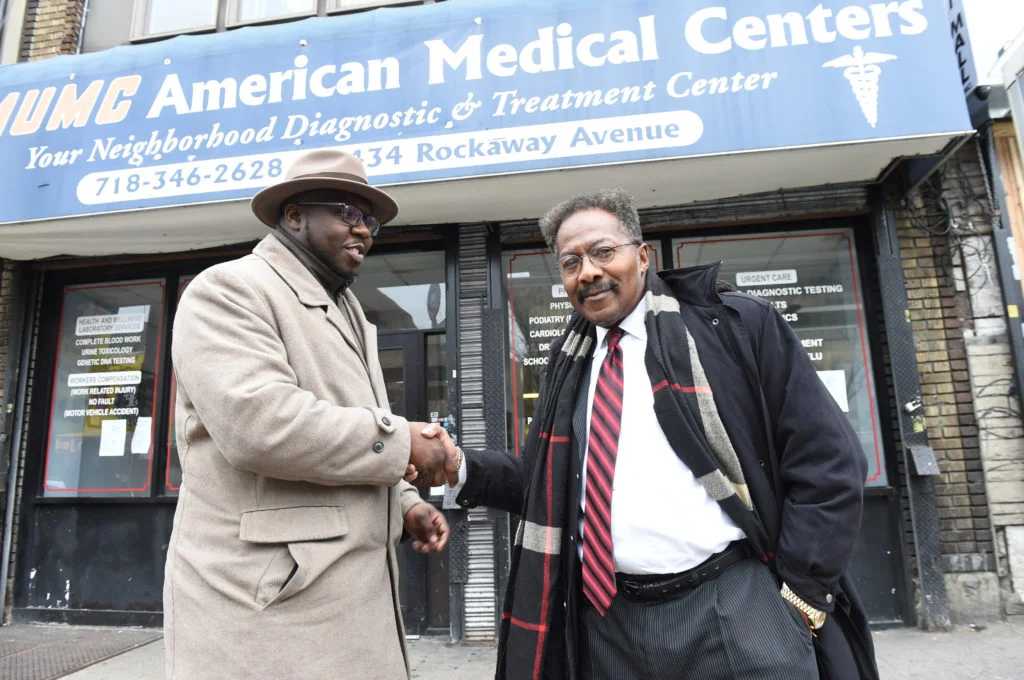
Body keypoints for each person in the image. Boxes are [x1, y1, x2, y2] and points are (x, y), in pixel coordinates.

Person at [443, 189, 879, 680]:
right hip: (610, 623)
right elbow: (550, 485)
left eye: (603, 252)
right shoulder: (569, 367)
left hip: (735, 608)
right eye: (570, 262)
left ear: (643, 255)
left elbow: (829, 460)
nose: (587, 272)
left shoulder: (733, 327)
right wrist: (461, 466)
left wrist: (800, 596)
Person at [163, 148, 453, 680]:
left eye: (370, 221)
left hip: (343, 603)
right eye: (347, 212)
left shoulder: (351, 312)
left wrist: (405, 501)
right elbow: (260, 425)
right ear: (294, 215)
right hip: (272, 607)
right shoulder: (229, 289)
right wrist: (405, 442)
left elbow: (355, 430)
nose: (363, 230)